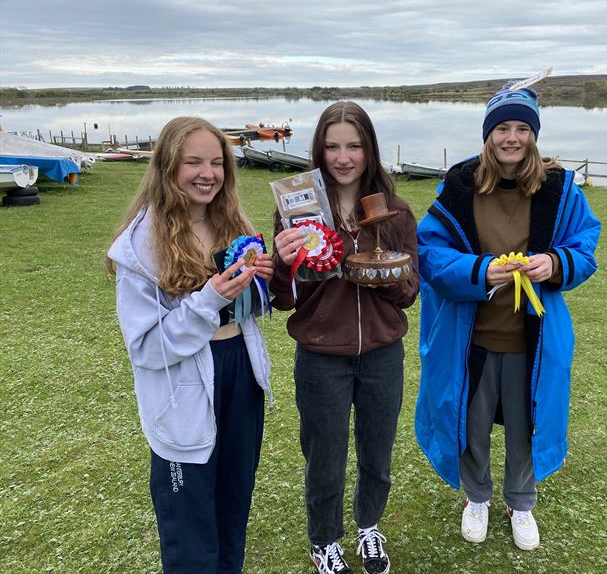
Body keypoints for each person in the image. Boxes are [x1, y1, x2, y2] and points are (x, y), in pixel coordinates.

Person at [414, 81, 601, 551]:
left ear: (534, 134)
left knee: (527, 423)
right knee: (469, 421)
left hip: (531, 340)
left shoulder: (560, 189)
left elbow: (585, 245)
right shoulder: (459, 185)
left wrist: (555, 263)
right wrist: (483, 271)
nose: (512, 137)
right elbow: (430, 255)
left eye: (522, 128)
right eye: (502, 128)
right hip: (470, 336)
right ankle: (475, 496)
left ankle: (521, 501)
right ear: (488, 134)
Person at [107, 116, 273, 573]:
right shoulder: (140, 245)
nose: (208, 173)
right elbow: (145, 347)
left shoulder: (231, 222)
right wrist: (211, 298)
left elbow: (249, 310)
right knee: (190, 522)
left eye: (217, 162)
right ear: (167, 166)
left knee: (233, 503)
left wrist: (267, 284)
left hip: (240, 373)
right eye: (193, 161)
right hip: (182, 389)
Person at [271, 101, 419, 574]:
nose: (343, 157)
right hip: (320, 358)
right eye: (332, 146)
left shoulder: (395, 211)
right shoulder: (297, 209)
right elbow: (283, 298)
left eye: (354, 145)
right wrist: (280, 261)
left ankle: (369, 527)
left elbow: (409, 292)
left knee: (378, 454)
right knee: (325, 458)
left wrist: (383, 274)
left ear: (369, 150)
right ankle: (324, 541)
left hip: (382, 354)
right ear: (319, 150)